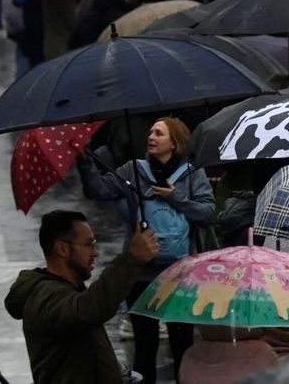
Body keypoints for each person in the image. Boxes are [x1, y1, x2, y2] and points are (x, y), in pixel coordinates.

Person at [77, 118, 216, 384]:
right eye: (150, 131)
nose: (150, 137)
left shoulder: (191, 173)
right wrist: (84, 160)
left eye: (159, 133)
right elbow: (99, 190)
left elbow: (207, 213)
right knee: (144, 345)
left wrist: (175, 197)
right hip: (141, 273)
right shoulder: (134, 171)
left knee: (182, 343)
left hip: (181, 274)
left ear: (174, 143)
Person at [5, 211, 160, 384]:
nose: (95, 253)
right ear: (62, 249)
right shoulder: (44, 296)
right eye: (88, 245)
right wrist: (133, 258)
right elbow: (89, 310)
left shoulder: (69, 287)